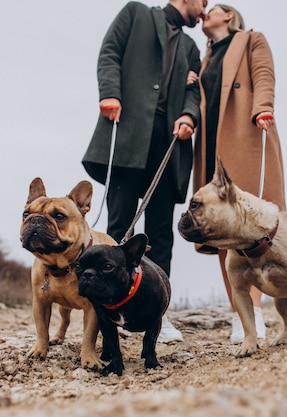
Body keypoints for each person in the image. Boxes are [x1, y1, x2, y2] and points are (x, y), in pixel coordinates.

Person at [82, 0, 208, 343]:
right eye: (202, 3)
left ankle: (158, 312)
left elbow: (193, 91)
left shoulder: (191, 47)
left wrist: (189, 115)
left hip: (169, 141)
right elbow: (109, 52)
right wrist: (109, 93)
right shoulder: (135, 13)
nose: (203, 11)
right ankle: (108, 311)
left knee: (160, 233)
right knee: (119, 224)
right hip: (128, 132)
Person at [192, 4, 287, 342]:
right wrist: (192, 82)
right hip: (211, 148)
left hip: (246, 134)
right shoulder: (205, 60)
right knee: (219, 228)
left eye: (211, 8)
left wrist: (263, 107)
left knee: (251, 222)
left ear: (228, 16)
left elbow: (263, 74)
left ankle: (257, 311)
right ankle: (240, 312)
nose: (204, 12)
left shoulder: (250, 40)